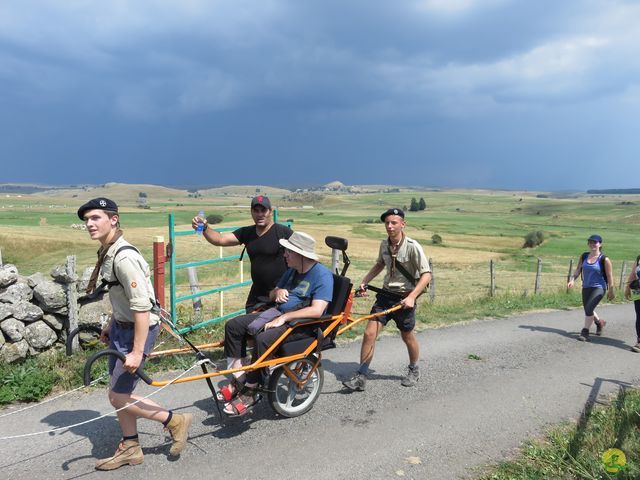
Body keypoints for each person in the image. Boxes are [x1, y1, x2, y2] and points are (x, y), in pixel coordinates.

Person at [79, 198, 192, 471]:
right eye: (86, 220)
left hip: (137, 331)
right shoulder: (109, 250)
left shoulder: (124, 256)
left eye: (96, 218)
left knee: (118, 396)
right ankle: (131, 447)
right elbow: (120, 296)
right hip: (122, 327)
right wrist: (111, 324)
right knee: (118, 392)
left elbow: (142, 307)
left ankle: (174, 421)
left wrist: (137, 351)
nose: (89, 224)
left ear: (113, 219)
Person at [219, 231, 334, 415]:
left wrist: (285, 318)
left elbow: (317, 310)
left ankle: (251, 387)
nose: (285, 255)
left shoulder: (322, 275)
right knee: (233, 326)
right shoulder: (291, 271)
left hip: (302, 325)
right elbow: (272, 294)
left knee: (263, 339)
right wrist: (278, 292)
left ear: (301, 255)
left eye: (288, 251)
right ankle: (240, 377)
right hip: (276, 313)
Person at [343, 208, 431, 392]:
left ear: (402, 224)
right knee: (369, 334)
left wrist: (412, 297)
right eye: (387, 223)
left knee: (407, 336)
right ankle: (361, 375)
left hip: (404, 298)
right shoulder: (384, 245)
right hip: (385, 295)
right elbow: (380, 264)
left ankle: (414, 369)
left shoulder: (413, 246)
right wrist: (365, 281)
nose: (390, 226)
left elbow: (426, 275)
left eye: (394, 223)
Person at [191, 195, 293, 311]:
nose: (260, 214)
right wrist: (205, 228)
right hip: (257, 296)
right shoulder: (247, 232)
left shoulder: (283, 232)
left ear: (270, 211)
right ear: (251, 212)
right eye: (256, 210)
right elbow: (220, 239)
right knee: (247, 327)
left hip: (280, 293)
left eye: (263, 210)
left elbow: (303, 256)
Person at [567, 234, 615, 342]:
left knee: (589, 308)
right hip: (586, 286)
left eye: (595, 242)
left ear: (600, 244)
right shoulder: (584, 256)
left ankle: (585, 331)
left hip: (599, 287)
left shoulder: (604, 259)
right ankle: (599, 323)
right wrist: (572, 280)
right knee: (589, 309)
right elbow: (578, 269)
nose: (592, 244)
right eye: (590, 242)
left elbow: (609, 275)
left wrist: (611, 290)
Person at [624, 256, 640, 352]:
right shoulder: (639, 258)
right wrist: (627, 288)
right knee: (639, 316)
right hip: (638, 292)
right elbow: (633, 274)